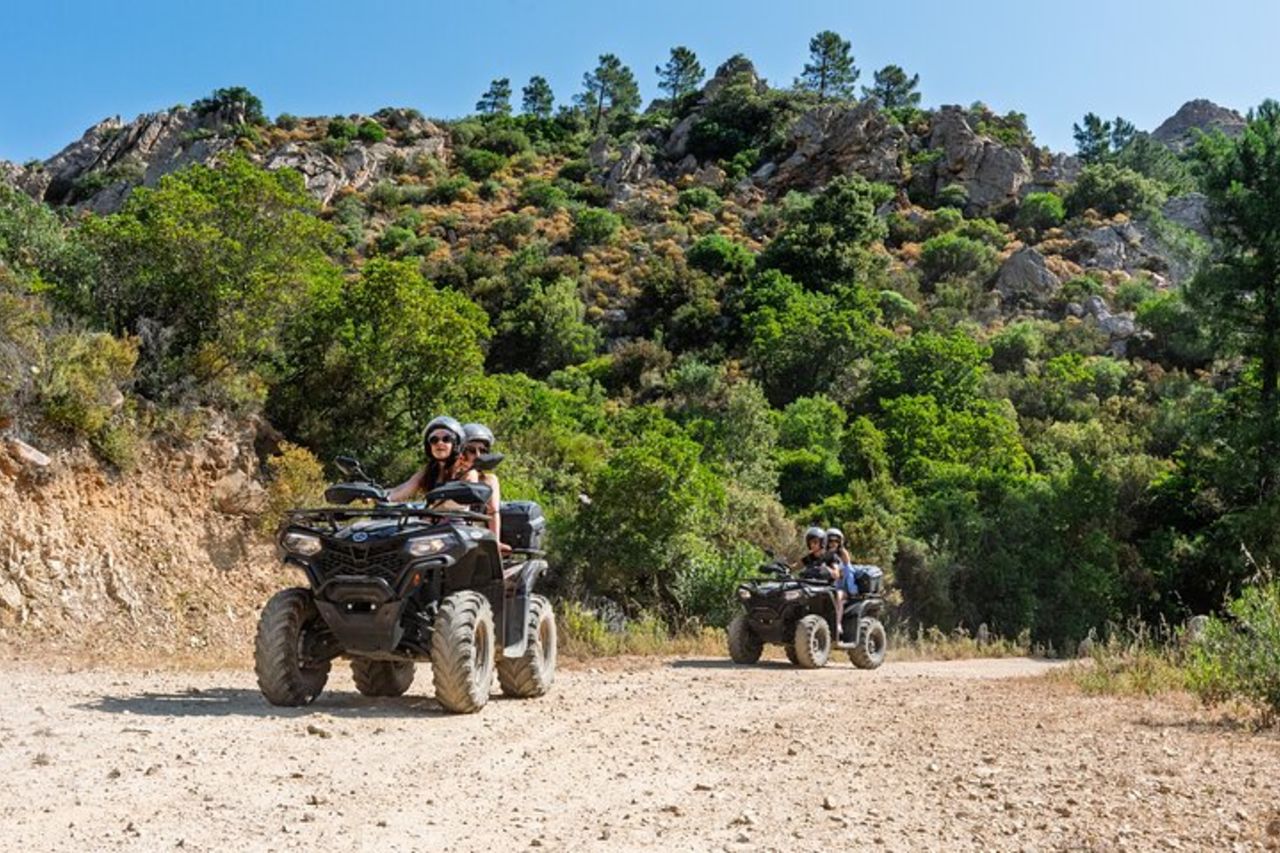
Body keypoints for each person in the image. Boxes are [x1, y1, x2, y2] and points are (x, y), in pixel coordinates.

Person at [386, 415, 467, 502]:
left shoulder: (466, 471)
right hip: (431, 514)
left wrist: (431, 511)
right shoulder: (430, 470)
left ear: (456, 444)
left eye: (446, 439)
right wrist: (383, 497)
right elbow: (406, 488)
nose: (440, 443)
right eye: (434, 440)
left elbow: (459, 503)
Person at [458, 421, 510, 554]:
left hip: (475, 532)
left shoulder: (489, 480)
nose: (478, 455)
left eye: (482, 450)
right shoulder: (449, 474)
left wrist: (495, 542)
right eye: (472, 450)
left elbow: (493, 512)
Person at [827, 527, 857, 641]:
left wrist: (851, 591)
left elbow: (849, 573)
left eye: (836, 541)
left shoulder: (843, 555)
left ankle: (838, 624)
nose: (833, 544)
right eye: (830, 541)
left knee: (838, 595)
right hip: (827, 588)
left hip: (844, 589)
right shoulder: (824, 554)